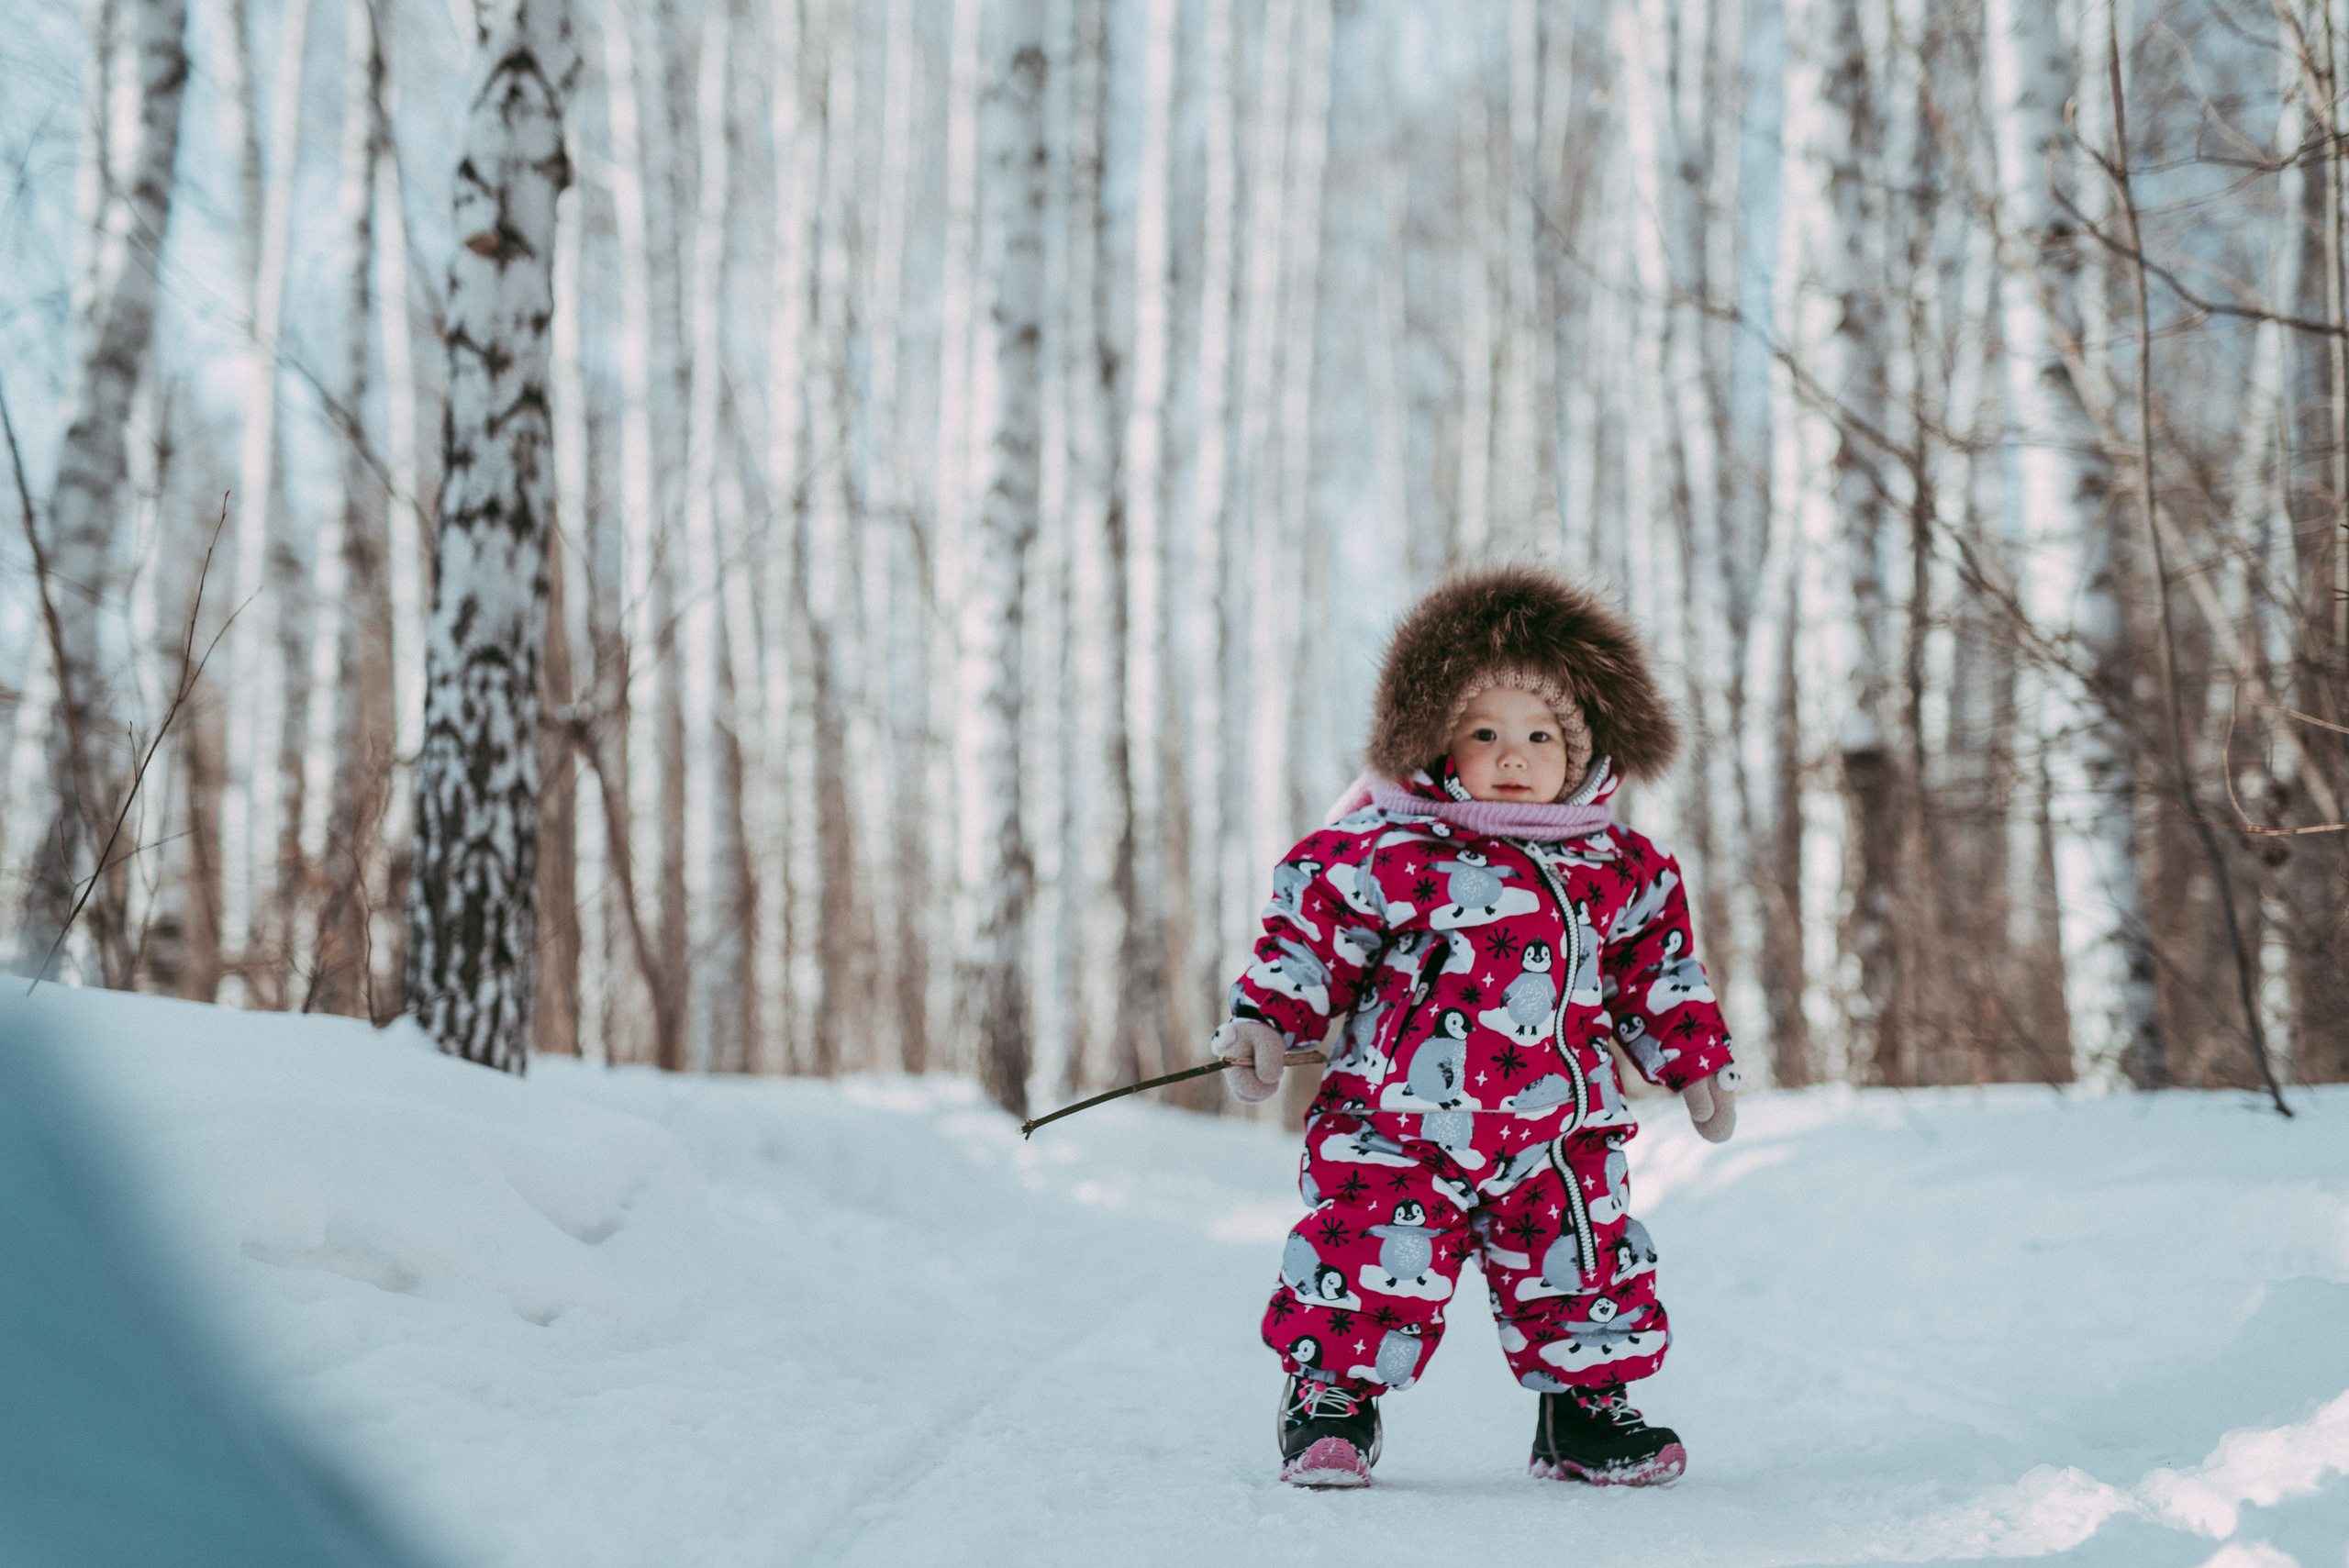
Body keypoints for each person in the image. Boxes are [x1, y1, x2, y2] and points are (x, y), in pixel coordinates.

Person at [1219, 564, 1740, 1489]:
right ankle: (1331, 1399)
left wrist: (1694, 1060)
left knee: (1582, 1260)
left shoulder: (1616, 863)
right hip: (1396, 1124)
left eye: (1541, 734)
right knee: (1367, 1255)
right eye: (1485, 731)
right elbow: (1308, 937)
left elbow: (1657, 969)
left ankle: (1583, 1412)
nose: (1514, 753)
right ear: (1436, 741)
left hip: (1559, 1130)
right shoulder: (1387, 847)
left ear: (1579, 753)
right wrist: (1270, 1017)